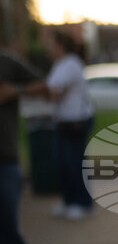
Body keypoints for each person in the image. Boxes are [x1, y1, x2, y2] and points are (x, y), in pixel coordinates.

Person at [0, 51, 49, 244]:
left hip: (4, 159)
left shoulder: (7, 63)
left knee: (7, 226)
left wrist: (15, 90)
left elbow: (46, 87)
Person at [44, 31, 94, 220]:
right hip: (63, 121)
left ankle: (84, 203)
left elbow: (56, 92)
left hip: (76, 122)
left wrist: (34, 91)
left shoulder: (71, 64)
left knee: (75, 163)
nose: (48, 48)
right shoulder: (59, 64)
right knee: (62, 162)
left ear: (60, 45)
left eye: (51, 44)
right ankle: (69, 201)